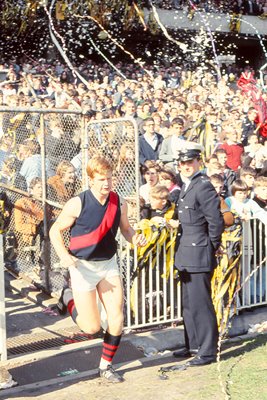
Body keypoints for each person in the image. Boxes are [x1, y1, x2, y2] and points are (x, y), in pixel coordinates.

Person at [49, 156, 147, 383]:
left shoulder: (119, 202)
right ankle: (67, 296)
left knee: (117, 317)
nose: (107, 183)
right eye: (102, 179)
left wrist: (135, 239)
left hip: (108, 264)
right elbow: (55, 231)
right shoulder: (77, 202)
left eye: (110, 179)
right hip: (82, 266)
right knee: (91, 326)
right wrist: (64, 256)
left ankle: (106, 366)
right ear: (90, 180)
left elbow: (126, 230)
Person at [172, 142, 224, 366]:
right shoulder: (187, 185)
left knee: (201, 303)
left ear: (198, 162)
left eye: (189, 162)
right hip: (186, 252)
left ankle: (207, 351)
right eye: (182, 163)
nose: (185, 166)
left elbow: (216, 221)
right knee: (189, 302)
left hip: (199, 251)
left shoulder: (202, 185)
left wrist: (210, 246)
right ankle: (193, 344)